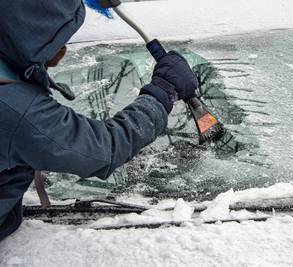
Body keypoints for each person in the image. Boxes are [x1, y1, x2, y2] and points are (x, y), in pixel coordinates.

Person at [0, 0, 198, 241]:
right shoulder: (15, 107)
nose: (65, 47)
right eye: (58, 37)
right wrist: (163, 91)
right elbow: (105, 148)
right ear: (33, 35)